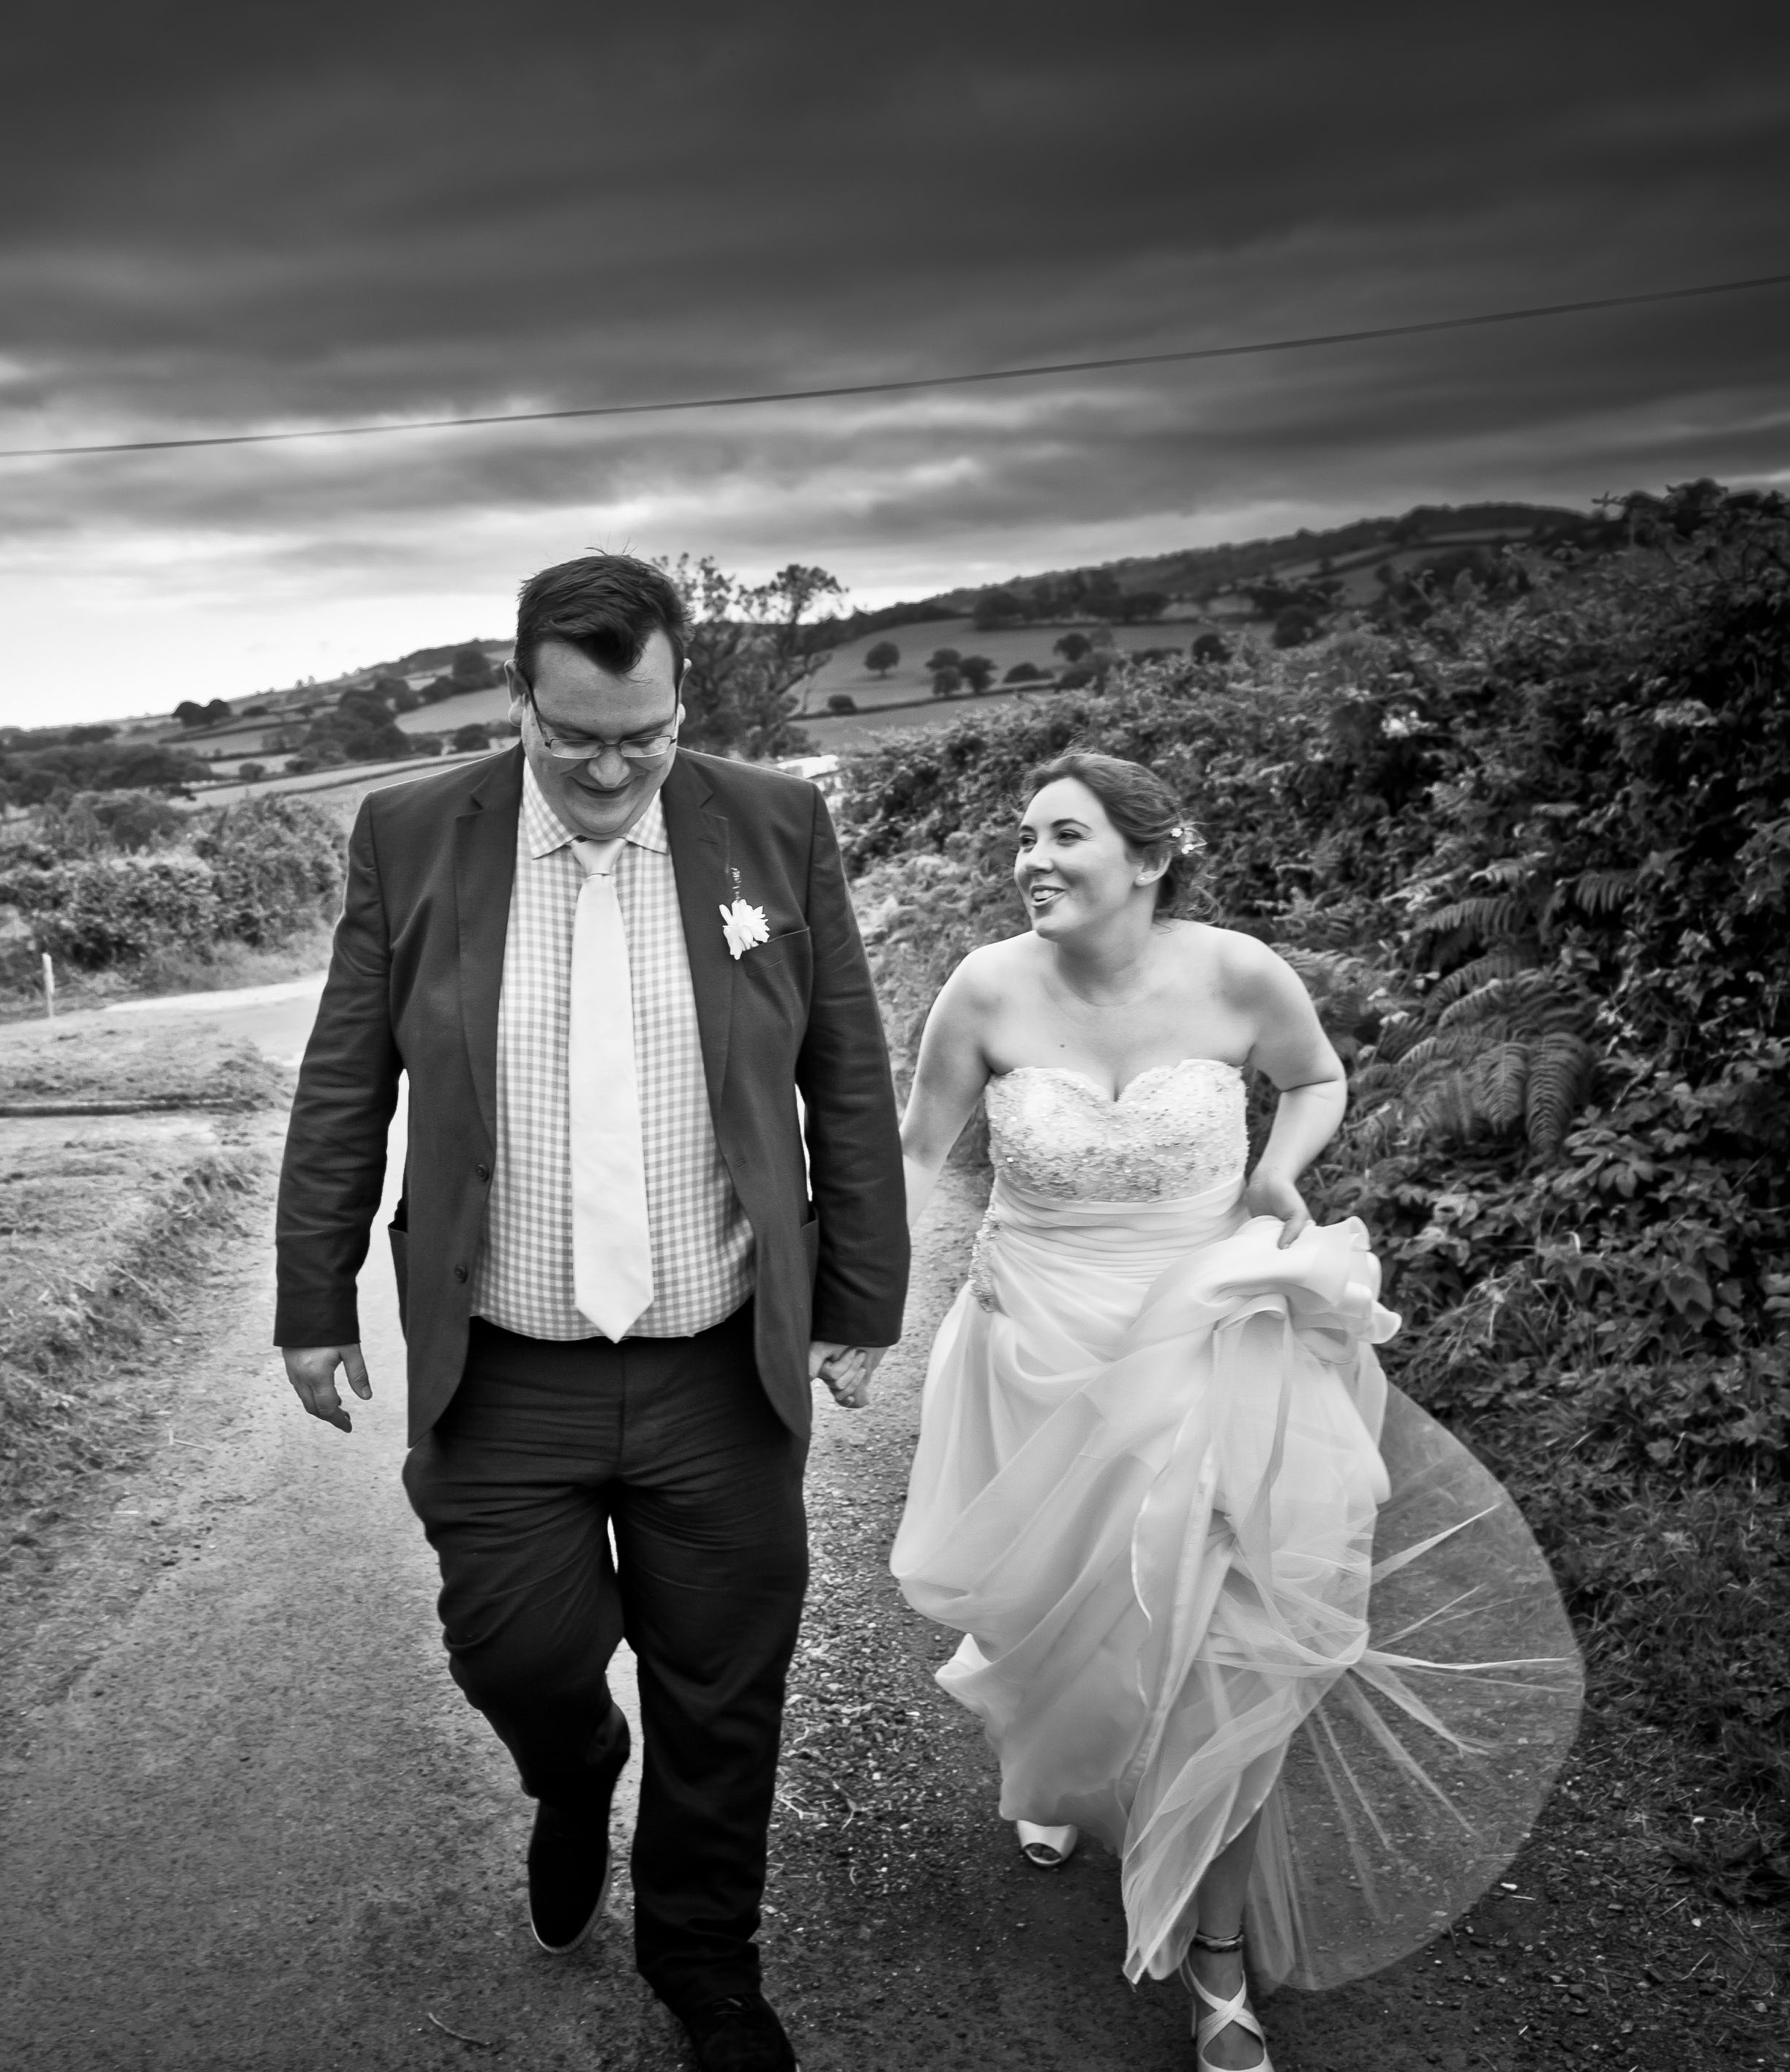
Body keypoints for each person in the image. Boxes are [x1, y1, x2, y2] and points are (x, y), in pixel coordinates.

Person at [275, 554, 910, 2072]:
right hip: (507, 1366)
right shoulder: (414, 835)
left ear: (679, 699)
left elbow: (844, 1068)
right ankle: (573, 1774)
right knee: (518, 1652)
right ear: (518, 699)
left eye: (645, 736)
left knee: (724, 1686)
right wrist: (314, 1297)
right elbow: (347, 1079)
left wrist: (862, 1294)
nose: (614, 771)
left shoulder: (775, 823)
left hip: (717, 1361)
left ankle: (704, 1958)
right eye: (576, 741)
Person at [881, 755, 1580, 2071]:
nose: (1031, 860)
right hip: (1037, 1340)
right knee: (1065, 1603)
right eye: (1024, 837)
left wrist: (1275, 1170)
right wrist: (859, 1309)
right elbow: (920, 1152)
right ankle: (1058, 1766)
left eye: (1064, 836)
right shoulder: (984, 987)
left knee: (1228, 1640)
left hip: (1211, 1339)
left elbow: (1315, 1078)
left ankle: (1216, 1956)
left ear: (1150, 857)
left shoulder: (1238, 972)